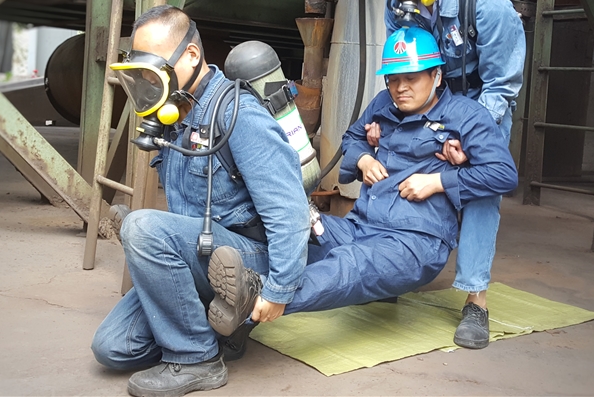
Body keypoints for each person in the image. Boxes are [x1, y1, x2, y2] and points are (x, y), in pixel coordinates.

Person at [206, 27, 518, 352]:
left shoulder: (466, 116)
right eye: (393, 79)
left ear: (436, 76)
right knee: (294, 227)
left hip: (413, 243)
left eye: (411, 78)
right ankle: (225, 286)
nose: (400, 88)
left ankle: (254, 304)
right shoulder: (384, 103)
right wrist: (364, 158)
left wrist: (438, 182)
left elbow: (503, 174)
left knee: (349, 265)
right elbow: (353, 138)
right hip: (358, 228)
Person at [90, 5, 311, 397]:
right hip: (202, 255)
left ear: (191, 54)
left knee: (142, 227)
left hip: (245, 258)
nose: (148, 82)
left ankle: (196, 358)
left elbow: (289, 209)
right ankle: (224, 329)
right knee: (113, 348)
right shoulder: (176, 113)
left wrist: (279, 290)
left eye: (153, 70)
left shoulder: (238, 114)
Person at [373, 0, 526, 349]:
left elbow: (502, 85)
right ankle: (391, 269)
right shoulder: (398, 6)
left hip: (482, 105)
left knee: (478, 190)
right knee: (397, 168)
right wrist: (388, 123)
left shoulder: (488, 7)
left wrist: (463, 137)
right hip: (431, 101)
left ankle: (476, 301)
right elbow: (400, 69)